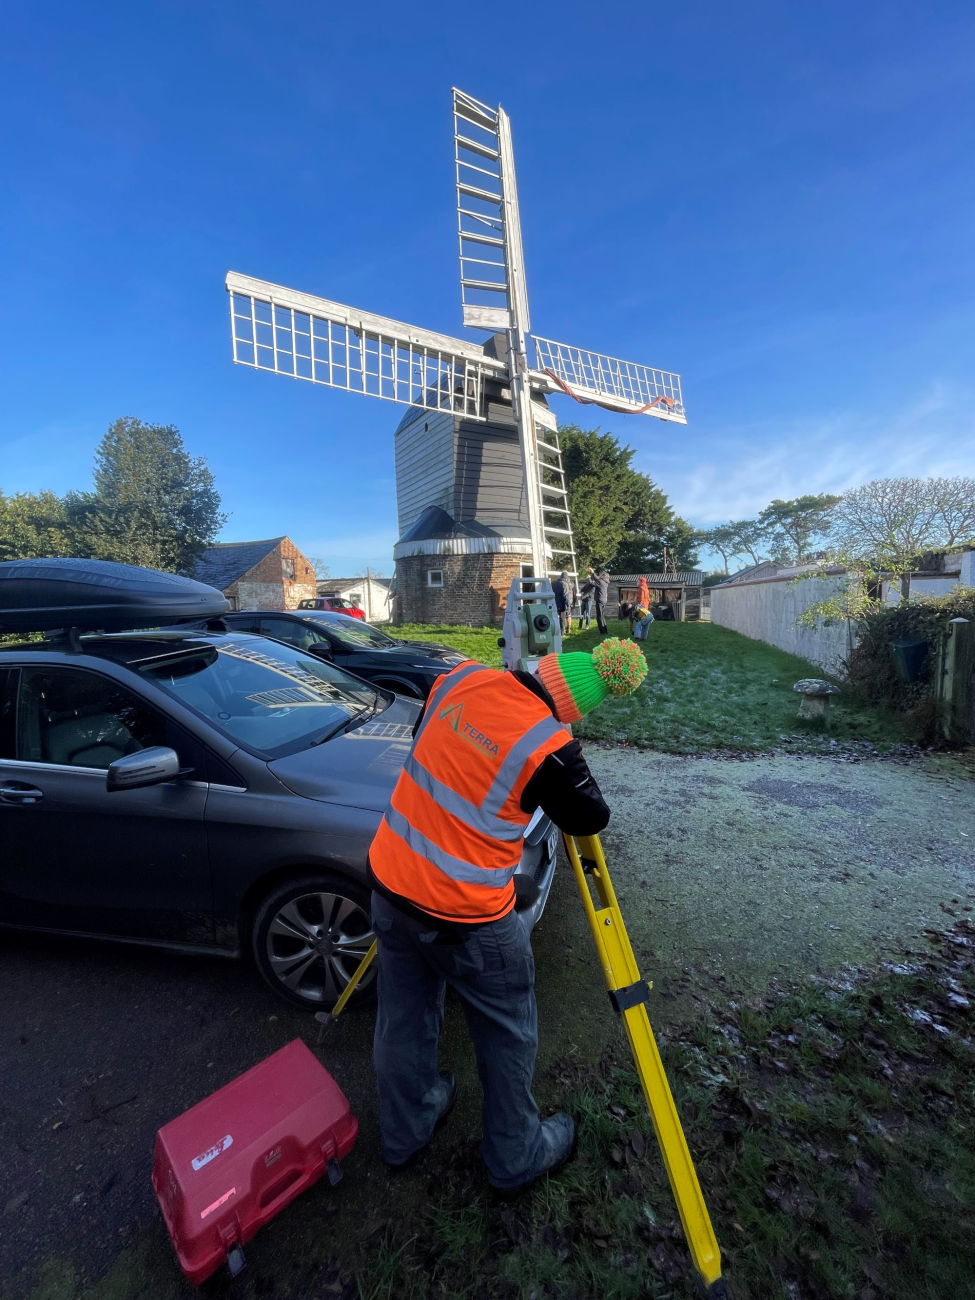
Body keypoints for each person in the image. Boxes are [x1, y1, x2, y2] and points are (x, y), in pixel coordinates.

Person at [368, 639, 649, 1194]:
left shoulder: (460, 678)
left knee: (403, 1018)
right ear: (572, 709)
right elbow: (590, 814)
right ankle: (515, 1154)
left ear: (541, 670)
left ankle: (407, 1128)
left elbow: (459, 758)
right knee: (507, 1034)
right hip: (466, 919)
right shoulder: (549, 745)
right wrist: (566, 749)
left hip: (391, 882)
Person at [551, 570, 571, 637]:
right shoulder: (565, 584)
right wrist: (568, 606)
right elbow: (566, 596)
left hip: (554, 603)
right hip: (562, 604)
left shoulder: (554, 583)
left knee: (555, 618)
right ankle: (561, 633)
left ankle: (554, 632)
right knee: (562, 619)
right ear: (566, 577)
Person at [591, 568, 610, 635]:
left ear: (603, 576)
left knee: (599, 616)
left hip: (600, 600)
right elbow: (594, 582)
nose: (600, 576)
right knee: (602, 616)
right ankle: (605, 630)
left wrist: (592, 572)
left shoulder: (601, 581)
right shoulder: (605, 582)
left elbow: (596, 579)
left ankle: (602, 631)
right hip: (604, 600)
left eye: (601, 575)